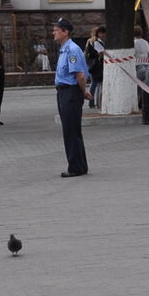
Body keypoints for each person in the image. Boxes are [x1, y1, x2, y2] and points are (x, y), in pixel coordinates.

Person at [51, 17, 90, 178]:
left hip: (70, 93)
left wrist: (83, 91)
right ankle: (80, 165)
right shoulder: (65, 49)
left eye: (56, 30)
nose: (53, 33)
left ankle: (75, 167)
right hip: (65, 92)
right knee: (73, 130)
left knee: (70, 131)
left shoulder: (71, 50)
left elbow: (80, 75)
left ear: (65, 32)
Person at [87, 25, 107, 110]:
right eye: (104, 33)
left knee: (96, 84)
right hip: (97, 66)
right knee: (96, 84)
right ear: (100, 33)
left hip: (96, 66)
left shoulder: (95, 41)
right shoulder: (96, 42)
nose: (105, 35)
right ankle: (94, 102)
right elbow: (101, 53)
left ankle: (94, 102)